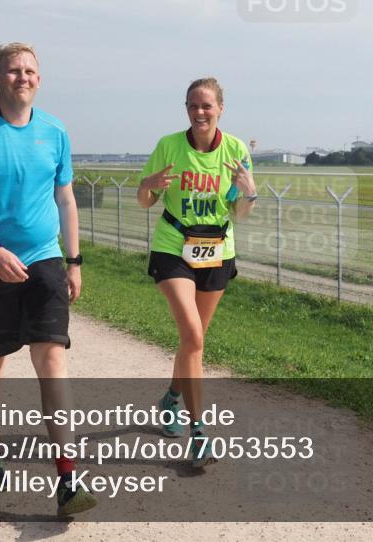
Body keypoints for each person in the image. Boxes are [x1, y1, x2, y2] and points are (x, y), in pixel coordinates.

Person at [0, 42, 96, 517]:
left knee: (51, 360)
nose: (21, 77)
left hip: (45, 260)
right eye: (12, 71)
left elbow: (66, 200)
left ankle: (67, 478)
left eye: (29, 70)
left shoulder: (55, 131)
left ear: (39, 79)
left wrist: (74, 260)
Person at [137, 77, 257, 469]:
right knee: (191, 335)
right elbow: (144, 201)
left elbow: (239, 212)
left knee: (194, 342)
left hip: (217, 250)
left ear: (221, 108)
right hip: (173, 247)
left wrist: (249, 192)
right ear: (186, 109)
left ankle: (171, 397)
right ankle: (199, 432)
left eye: (206, 105)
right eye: (193, 105)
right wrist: (149, 185)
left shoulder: (237, 150)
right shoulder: (168, 146)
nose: (199, 112)